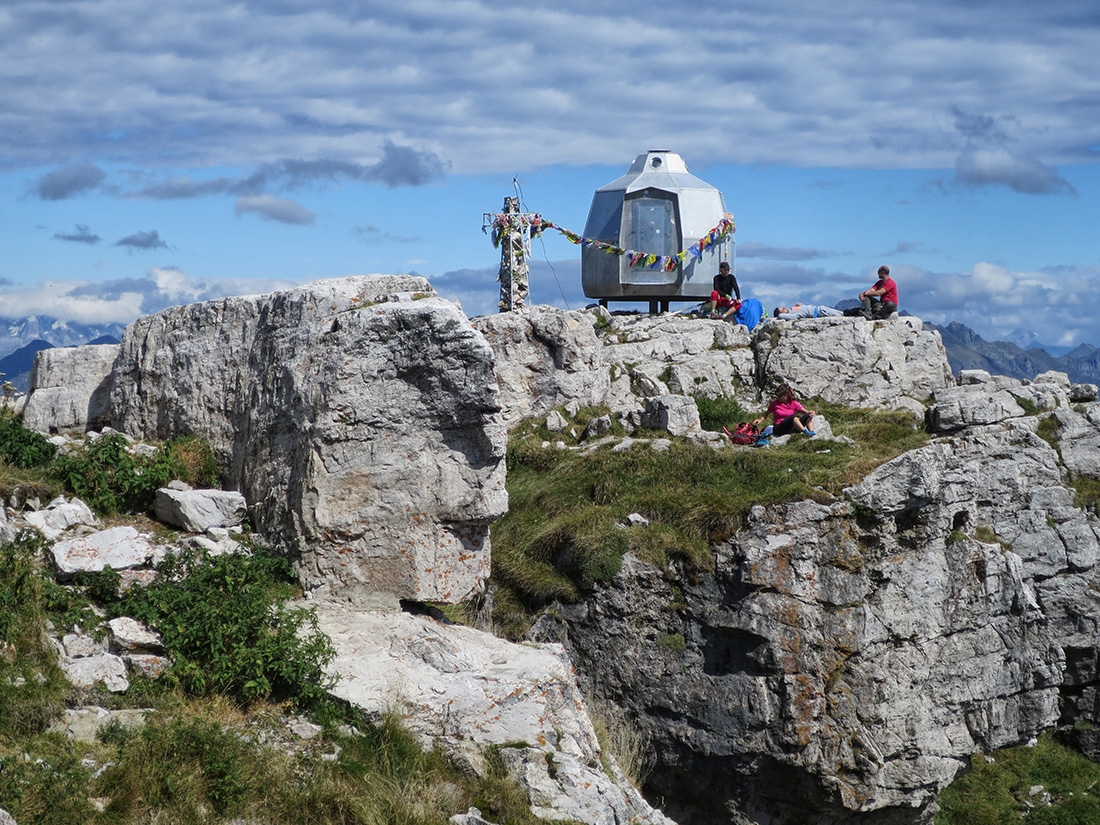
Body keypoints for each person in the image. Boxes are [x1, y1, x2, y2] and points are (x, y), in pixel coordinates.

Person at [773, 303, 844, 320]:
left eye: (783, 307)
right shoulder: (791, 314)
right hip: (819, 312)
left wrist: (801, 305)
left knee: (842, 313)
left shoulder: (792, 309)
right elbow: (780, 316)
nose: (784, 308)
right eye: (782, 310)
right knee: (843, 314)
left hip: (820, 308)